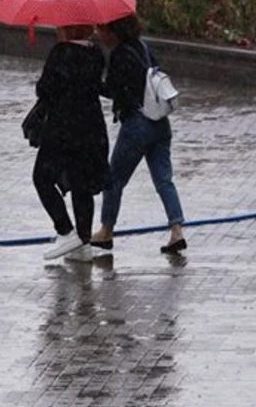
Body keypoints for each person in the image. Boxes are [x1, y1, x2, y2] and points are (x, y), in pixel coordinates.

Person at [90, 15, 186, 255]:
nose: (97, 33)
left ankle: (106, 231)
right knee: (164, 180)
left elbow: (114, 91)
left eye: (100, 29)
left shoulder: (120, 55)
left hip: (137, 125)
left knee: (113, 179)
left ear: (112, 31)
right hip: (160, 124)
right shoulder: (143, 48)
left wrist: (92, 83)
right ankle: (177, 230)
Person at [33, 24, 111, 262]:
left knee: (42, 177)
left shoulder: (61, 52)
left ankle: (65, 230)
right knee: (81, 183)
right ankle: (84, 242)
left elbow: (44, 90)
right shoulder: (95, 52)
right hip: (91, 127)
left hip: (62, 129)